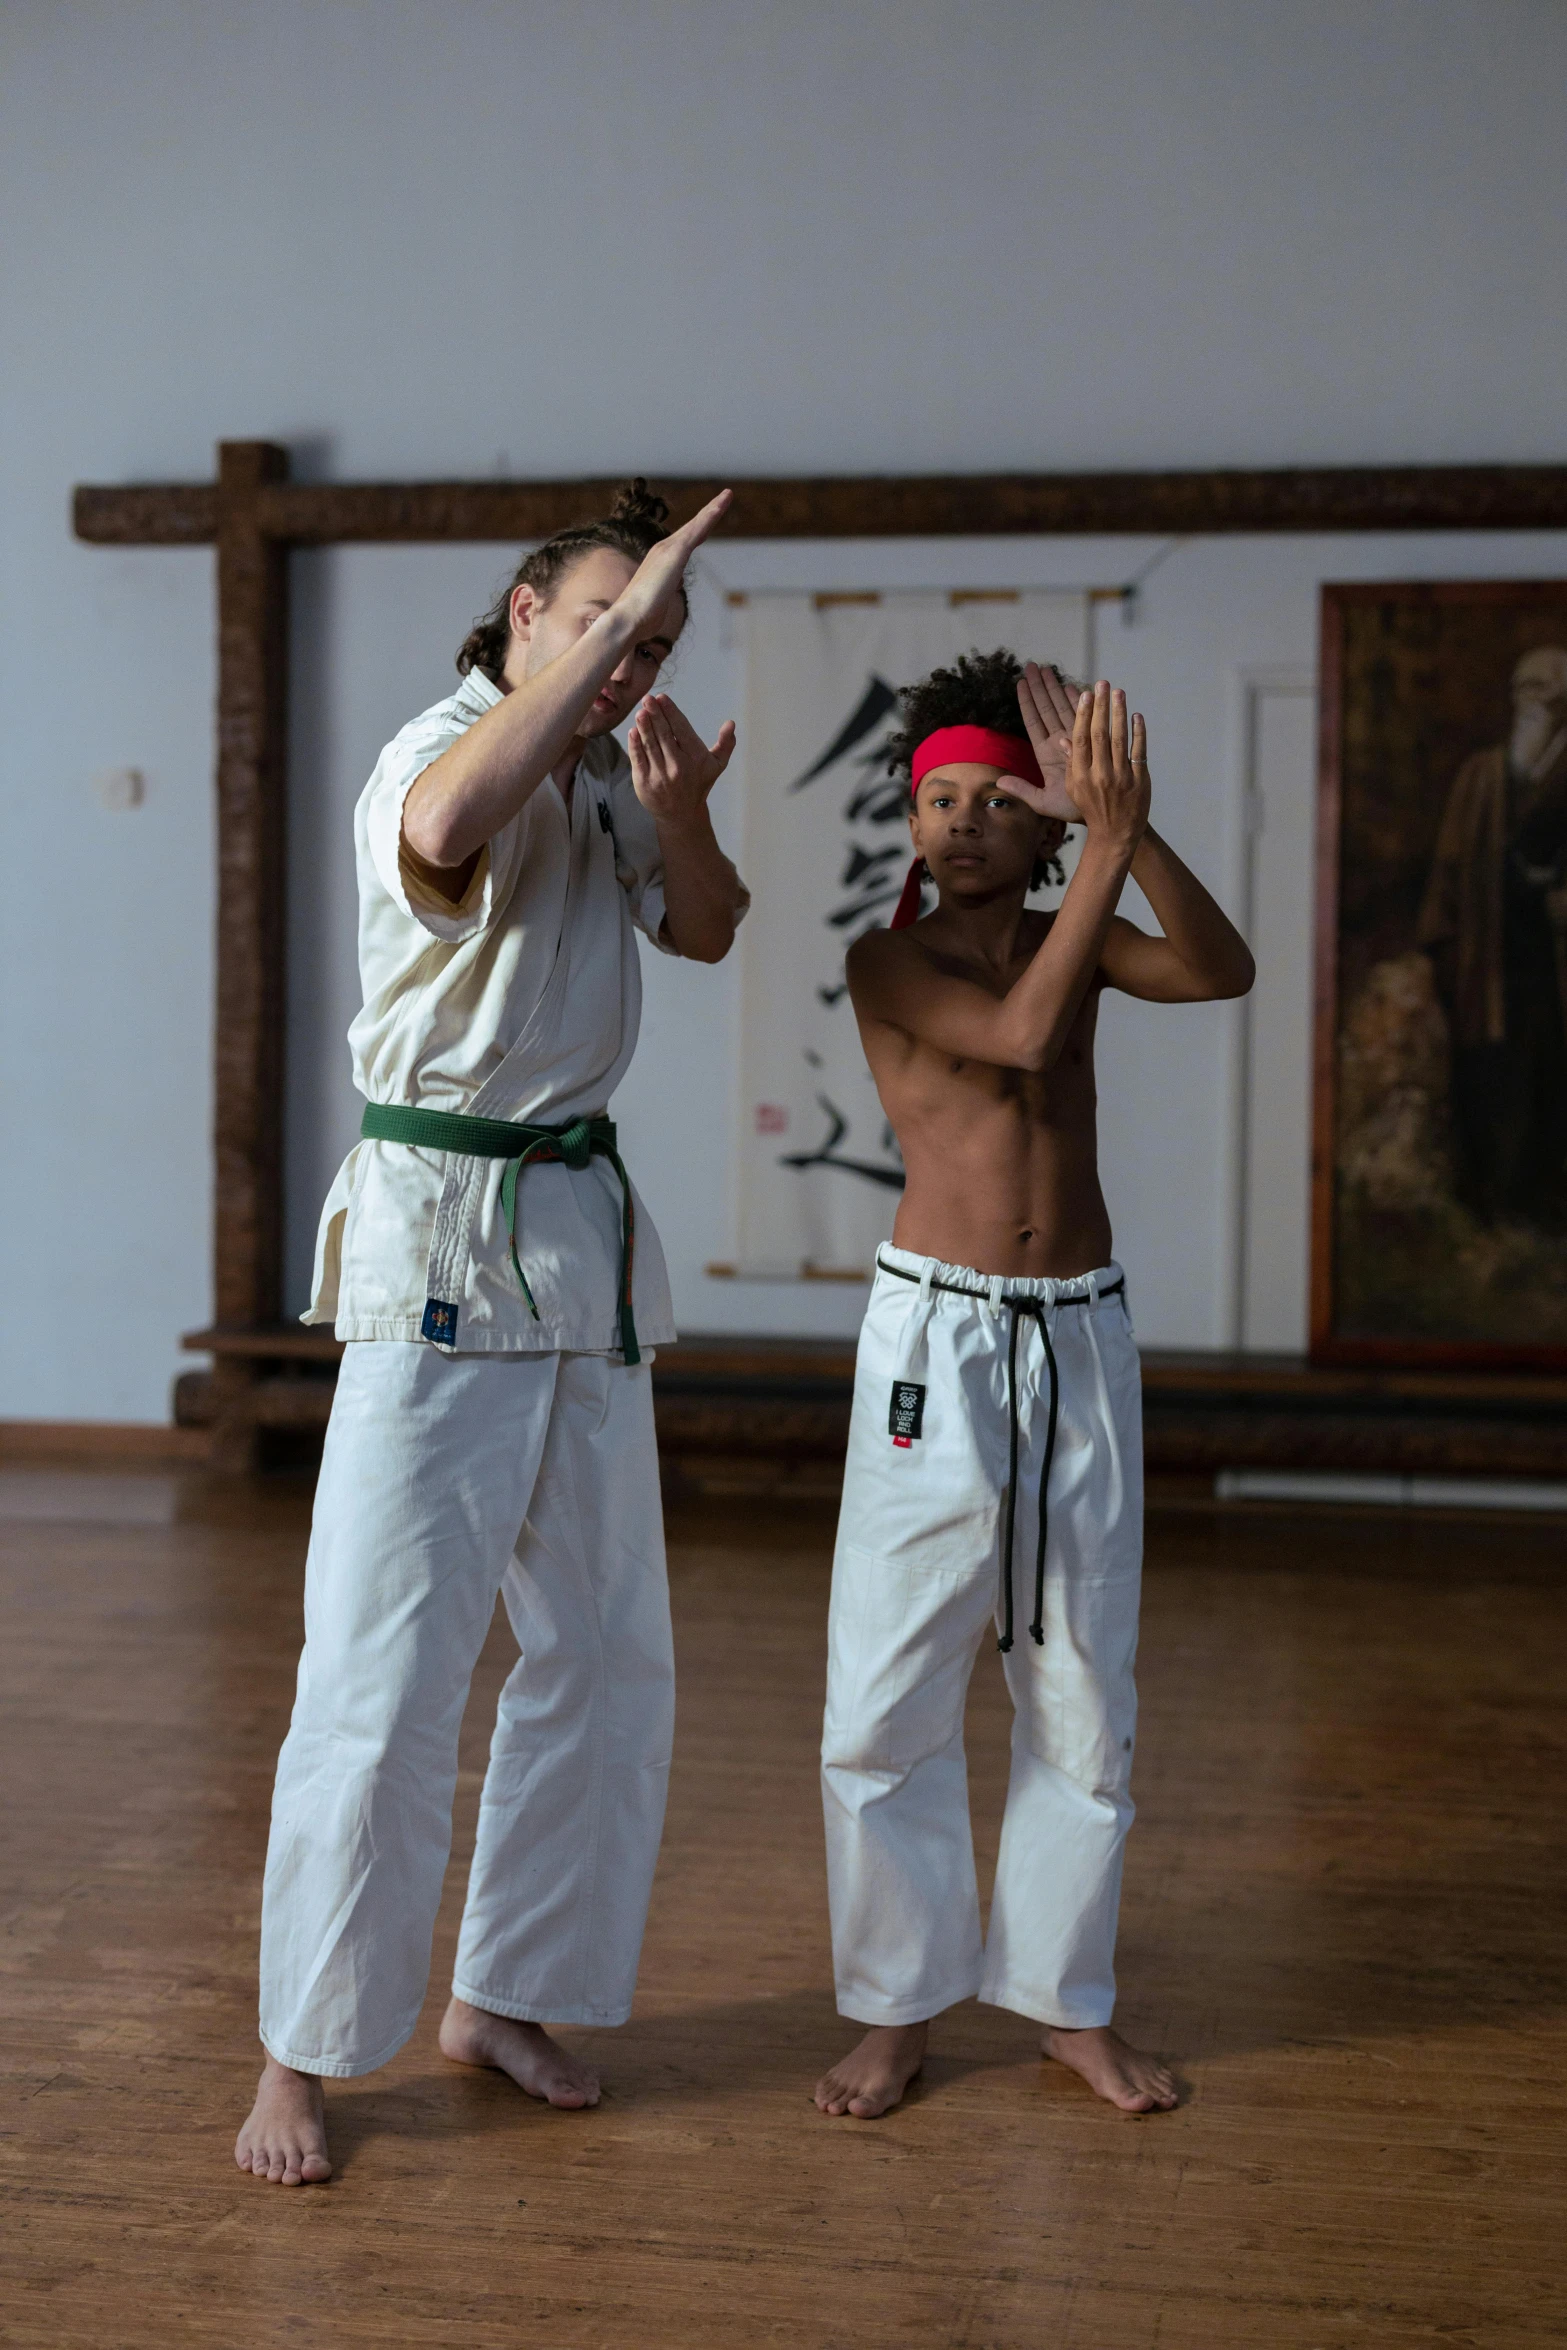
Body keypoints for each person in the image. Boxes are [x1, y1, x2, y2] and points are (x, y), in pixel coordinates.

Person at [236, 480, 748, 2186]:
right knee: (383, 1673)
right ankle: (301, 2054)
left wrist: (681, 813)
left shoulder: (605, 779)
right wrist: (608, 648)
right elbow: (457, 825)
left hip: (581, 1248)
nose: (628, 666)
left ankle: (506, 1992)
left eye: (653, 647)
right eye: (604, 628)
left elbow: (712, 925)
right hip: (440, 1242)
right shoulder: (432, 753)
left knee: (602, 1655)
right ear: (525, 616)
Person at [813, 651, 1254, 2121]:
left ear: (1045, 822)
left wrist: (1126, 825)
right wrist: (1101, 849)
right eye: (933, 797)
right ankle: (896, 2003)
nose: (953, 823)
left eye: (992, 800)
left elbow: (1219, 966)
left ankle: (1064, 2003)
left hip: (1076, 1334)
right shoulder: (893, 962)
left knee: (1078, 1685)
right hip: (933, 1345)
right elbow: (1014, 1037)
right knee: (889, 1690)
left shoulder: (1084, 916)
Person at [1418, 646, 1567, 1227]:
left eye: (1545, 692)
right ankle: (1494, 1207)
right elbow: (1451, 873)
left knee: (1548, 1076)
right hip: (1492, 957)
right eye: (1522, 690)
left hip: (1551, 960)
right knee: (1492, 1076)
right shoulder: (1482, 775)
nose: (1531, 704)